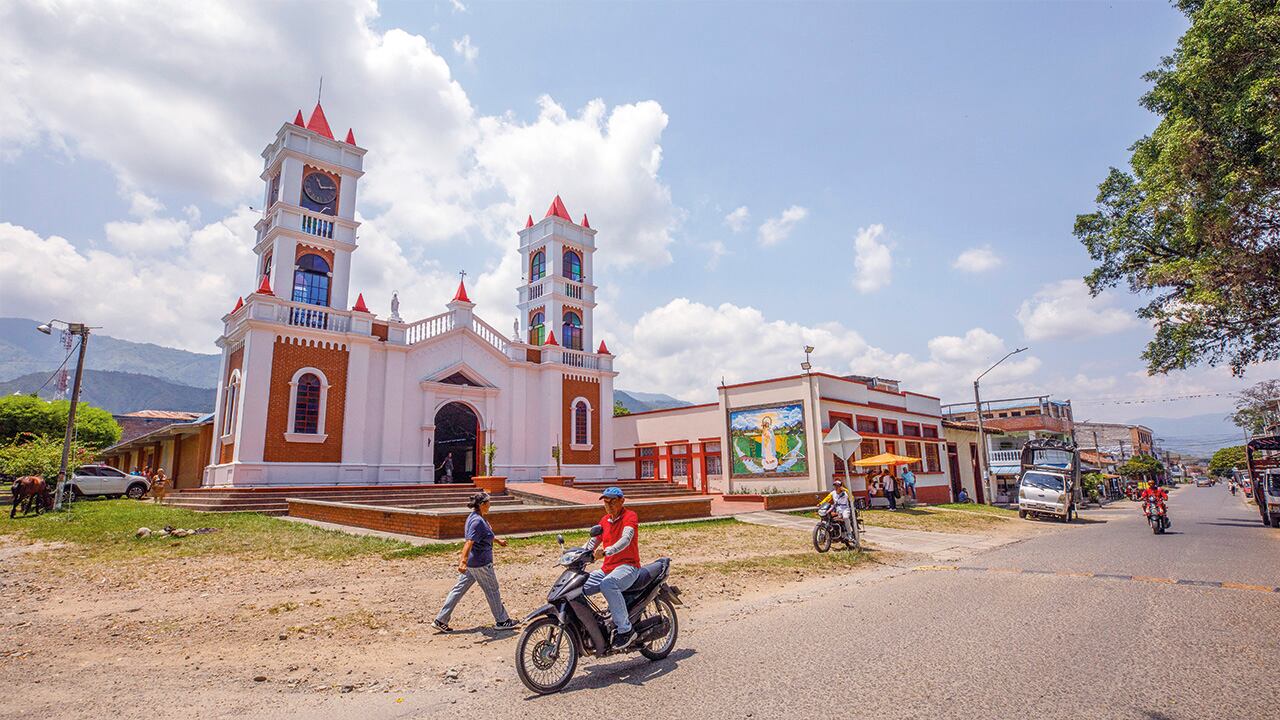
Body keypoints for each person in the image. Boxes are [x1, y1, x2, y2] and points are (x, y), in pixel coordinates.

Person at [433, 492, 516, 632]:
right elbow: (469, 542)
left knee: (458, 590)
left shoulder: (476, 517)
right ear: (482, 504)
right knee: (492, 590)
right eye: (488, 502)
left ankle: (440, 620)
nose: (490, 505)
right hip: (480, 564)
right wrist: (463, 561)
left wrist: (498, 541)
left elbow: (485, 535)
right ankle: (502, 621)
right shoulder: (477, 521)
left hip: (473, 565)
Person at [582, 486, 642, 649]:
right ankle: (593, 625)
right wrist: (578, 554)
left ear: (622, 501)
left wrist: (607, 551)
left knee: (608, 584)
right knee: (579, 587)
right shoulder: (604, 521)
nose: (609, 505)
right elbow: (592, 542)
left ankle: (625, 630)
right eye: (606, 502)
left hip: (628, 566)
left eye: (612, 502)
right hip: (607, 569)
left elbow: (626, 539)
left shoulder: (629, 516)